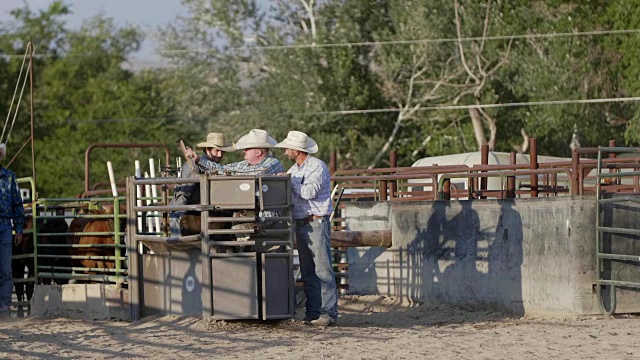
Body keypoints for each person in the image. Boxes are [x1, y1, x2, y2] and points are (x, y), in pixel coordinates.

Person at [275, 131, 337, 327]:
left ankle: (328, 312)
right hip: (302, 223)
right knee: (309, 270)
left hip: (315, 222)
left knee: (322, 269)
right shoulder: (296, 169)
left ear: (296, 150)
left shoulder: (316, 167)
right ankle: (313, 312)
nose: (285, 152)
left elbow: (309, 192)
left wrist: (288, 180)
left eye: (287, 148)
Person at [169, 132, 235, 236]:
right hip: (188, 213)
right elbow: (183, 195)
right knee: (182, 245)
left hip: (202, 213)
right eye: (217, 151)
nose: (220, 155)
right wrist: (180, 216)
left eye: (222, 151)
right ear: (207, 149)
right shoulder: (193, 166)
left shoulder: (216, 167)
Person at [183, 128, 284, 176]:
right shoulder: (244, 164)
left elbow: (257, 172)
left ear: (258, 152)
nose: (244, 150)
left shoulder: (273, 163)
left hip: (266, 216)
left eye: (248, 148)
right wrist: (198, 159)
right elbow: (222, 168)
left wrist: (229, 172)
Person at [0, 143, 24, 320]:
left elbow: (18, 205)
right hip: (6, 226)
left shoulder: (9, 178)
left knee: (5, 270)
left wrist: (19, 229)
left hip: (5, 226)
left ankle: (4, 309)